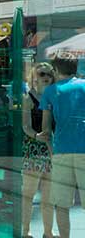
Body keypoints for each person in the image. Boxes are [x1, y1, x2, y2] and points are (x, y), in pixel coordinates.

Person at [38, 52, 85, 238]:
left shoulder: (50, 91)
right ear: (76, 67)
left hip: (61, 151)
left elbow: (45, 131)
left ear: (56, 70)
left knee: (62, 204)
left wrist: (52, 152)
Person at [22, 62, 58, 238]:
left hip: (52, 151)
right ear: (34, 77)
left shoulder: (56, 97)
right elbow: (25, 126)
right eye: (42, 74)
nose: (45, 77)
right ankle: (25, 230)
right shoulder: (28, 98)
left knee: (49, 196)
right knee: (28, 193)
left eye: (49, 74)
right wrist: (36, 136)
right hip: (34, 150)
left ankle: (48, 231)